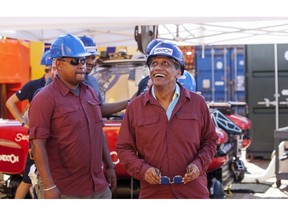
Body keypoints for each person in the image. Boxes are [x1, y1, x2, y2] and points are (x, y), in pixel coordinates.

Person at [116, 41, 218, 198]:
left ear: (178, 72)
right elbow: (124, 148)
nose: (157, 67)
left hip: (193, 192)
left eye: (165, 63)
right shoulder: (135, 108)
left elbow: (210, 141)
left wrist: (199, 164)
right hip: (154, 194)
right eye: (154, 63)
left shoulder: (198, 104)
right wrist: (143, 170)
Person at [28, 34, 116, 199]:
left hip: (99, 187)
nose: (81, 65)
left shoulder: (90, 92)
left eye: (83, 60)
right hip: (66, 191)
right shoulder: (44, 99)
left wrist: (110, 166)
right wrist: (49, 186)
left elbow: (99, 132)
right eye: (75, 61)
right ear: (59, 64)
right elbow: (38, 144)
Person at [5, 49, 52, 199]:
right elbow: (10, 102)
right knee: (27, 180)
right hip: (37, 141)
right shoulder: (34, 86)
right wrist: (23, 122)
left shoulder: (59, 87)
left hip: (52, 140)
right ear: (52, 67)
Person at [79, 35, 130, 117]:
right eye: (86, 57)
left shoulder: (92, 81)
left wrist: (129, 103)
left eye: (92, 58)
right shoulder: (68, 82)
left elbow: (100, 109)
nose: (90, 62)